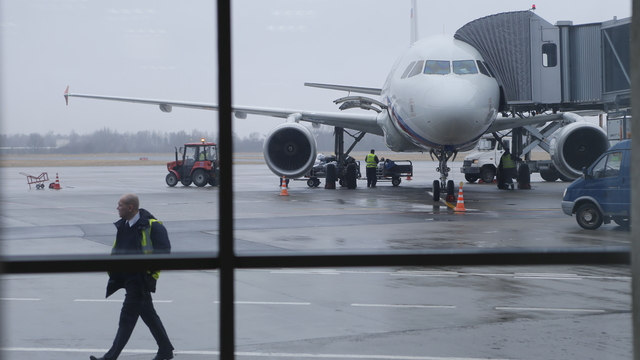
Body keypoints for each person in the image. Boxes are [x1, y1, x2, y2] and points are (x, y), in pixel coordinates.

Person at [90, 193, 174, 360]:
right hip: (127, 279)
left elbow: (164, 252)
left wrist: (149, 274)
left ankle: (110, 357)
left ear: (130, 207)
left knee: (126, 319)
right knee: (148, 315)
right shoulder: (123, 226)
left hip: (140, 280)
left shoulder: (153, 226)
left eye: (120, 205)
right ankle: (165, 350)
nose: (117, 208)